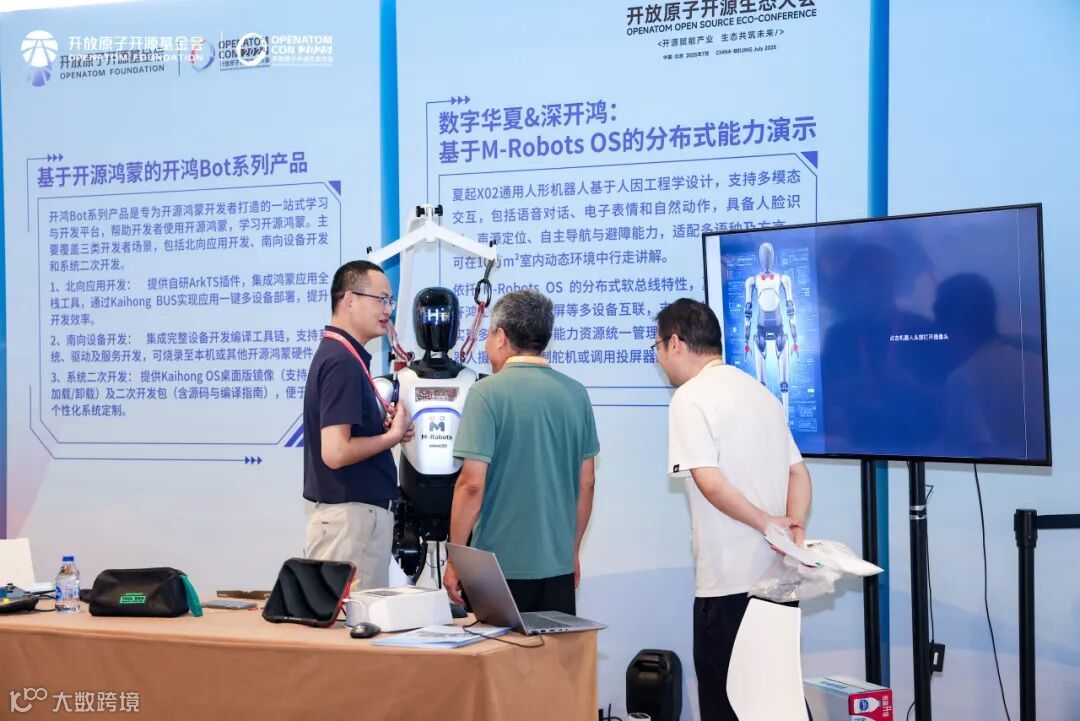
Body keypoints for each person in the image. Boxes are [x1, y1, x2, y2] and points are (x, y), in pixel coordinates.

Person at [653, 298, 812, 721]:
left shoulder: (690, 398)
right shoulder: (761, 394)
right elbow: (799, 473)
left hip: (728, 586)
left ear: (675, 343)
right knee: (774, 707)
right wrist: (793, 529)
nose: (659, 358)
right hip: (778, 582)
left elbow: (710, 481)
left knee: (726, 705)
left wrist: (767, 523)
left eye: (658, 347)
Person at [442, 290, 599, 615]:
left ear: (501, 337)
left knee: (500, 649)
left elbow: (471, 485)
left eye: (488, 334)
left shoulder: (486, 393)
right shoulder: (576, 394)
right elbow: (587, 483)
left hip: (497, 568)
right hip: (557, 566)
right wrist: (571, 551)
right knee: (553, 648)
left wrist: (456, 559)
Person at [302, 260, 414, 590]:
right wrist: (392, 437)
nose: (388, 310)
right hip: (350, 523)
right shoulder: (341, 361)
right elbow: (336, 452)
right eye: (381, 299)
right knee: (352, 620)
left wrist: (385, 431)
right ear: (349, 300)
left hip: (353, 522)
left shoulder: (343, 356)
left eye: (390, 301)